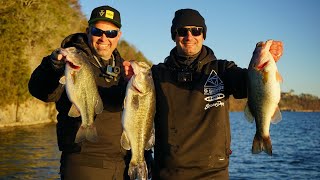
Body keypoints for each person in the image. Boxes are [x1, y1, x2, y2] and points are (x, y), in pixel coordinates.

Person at [124, 8, 283, 179]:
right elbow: (134, 109)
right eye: (182, 31)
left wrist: (266, 61)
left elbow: (251, 85)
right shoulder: (155, 75)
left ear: (203, 35)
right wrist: (126, 79)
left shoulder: (222, 70)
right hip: (167, 174)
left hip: (213, 174)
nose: (189, 36)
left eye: (196, 30)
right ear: (174, 36)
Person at [28, 5, 153, 180]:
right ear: (88, 31)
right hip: (84, 164)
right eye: (97, 31)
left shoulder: (124, 70)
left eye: (110, 33)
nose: (104, 38)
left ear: (119, 36)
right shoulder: (67, 62)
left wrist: (144, 157)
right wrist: (53, 67)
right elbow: (41, 91)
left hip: (122, 165)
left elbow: (141, 116)